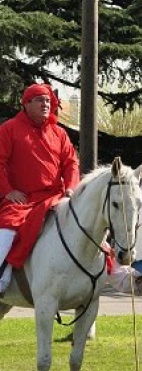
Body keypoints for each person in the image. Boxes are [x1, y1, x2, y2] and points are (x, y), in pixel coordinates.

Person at [0, 83, 80, 293]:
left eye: (47, 101)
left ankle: (115, 272)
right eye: (39, 100)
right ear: (26, 104)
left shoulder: (60, 133)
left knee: (86, 222)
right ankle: (1, 275)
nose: (45, 104)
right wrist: (8, 190)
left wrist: (71, 189)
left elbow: (71, 163)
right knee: (7, 227)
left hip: (55, 197)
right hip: (22, 201)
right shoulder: (9, 129)